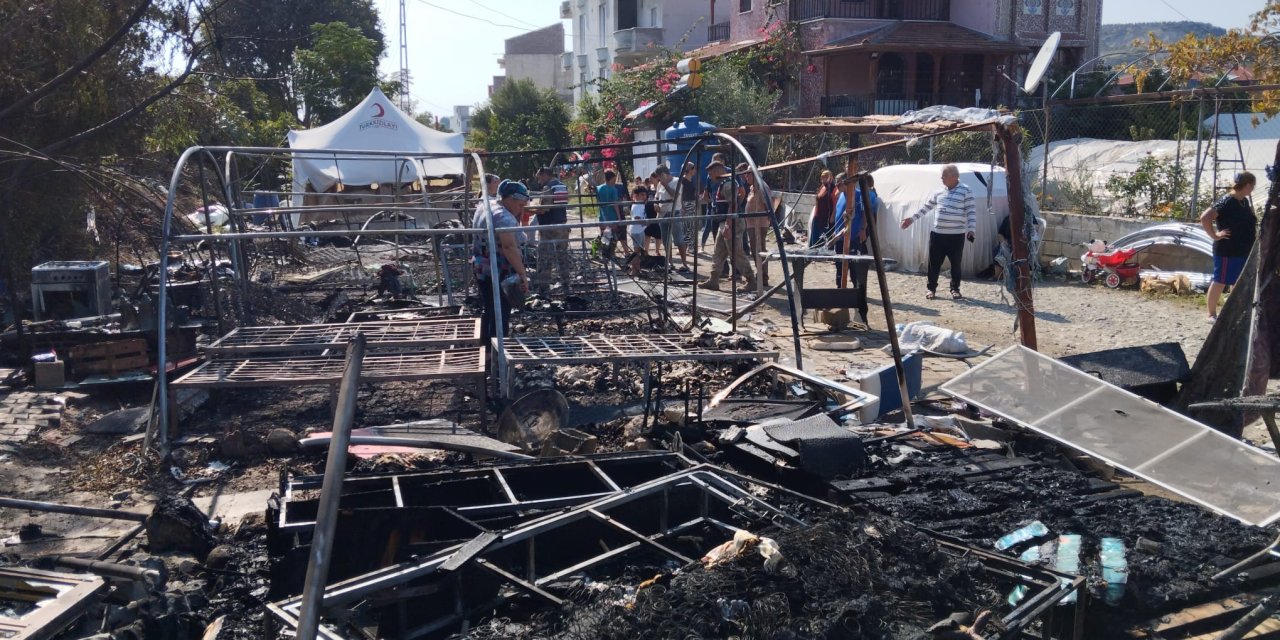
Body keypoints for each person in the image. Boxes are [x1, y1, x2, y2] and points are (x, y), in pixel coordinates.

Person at [901, 164, 976, 300]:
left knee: (956, 264)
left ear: (954, 176)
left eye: (944, 175)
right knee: (934, 263)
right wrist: (911, 219)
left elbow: (971, 211)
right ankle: (931, 289)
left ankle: (955, 289)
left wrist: (971, 229)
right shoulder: (939, 192)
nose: (941, 178)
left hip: (956, 235)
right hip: (938, 234)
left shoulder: (966, 191)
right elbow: (926, 207)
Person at [472, 180, 530, 343]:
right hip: (498, 270)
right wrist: (522, 274)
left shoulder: (487, 205)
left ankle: (486, 350)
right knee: (501, 311)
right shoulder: (504, 217)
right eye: (520, 205)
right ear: (510, 199)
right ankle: (498, 355)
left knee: (490, 308)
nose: (521, 209)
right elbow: (509, 246)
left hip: (481, 266)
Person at [1201, 171, 1257, 321]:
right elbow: (1205, 217)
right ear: (1247, 185)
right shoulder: (1226, 201)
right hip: (1228, 250)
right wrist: (1215, 235)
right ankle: (1211, 314)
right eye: (1253, 185)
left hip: (1243, 249)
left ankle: (1234, 311)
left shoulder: (1244, 201)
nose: (1253, 189)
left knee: (1237, 282)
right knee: (1220, 280)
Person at [698, 160, 754, 291]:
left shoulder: (728, 184)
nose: (710, 176)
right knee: (718, 252)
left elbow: (733, 204)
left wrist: (728, 225)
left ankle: (751, 280)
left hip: (731, 223)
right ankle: (713, 280)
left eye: (711, 173)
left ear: (718, 171)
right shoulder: (723, 183)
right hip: (725, 222)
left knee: (736, 253)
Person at [533, 167, 572, 291]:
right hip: (562, 224)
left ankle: (544, 286)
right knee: (562, 256)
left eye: (539, 176)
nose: (538, 180)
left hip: (549, 227)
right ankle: (566, 283)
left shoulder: (548, 188)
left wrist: (531, 208)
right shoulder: (562, 186)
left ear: (545, 174)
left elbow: (545, 208)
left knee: (545, 256)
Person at [740, 163, 774, 290]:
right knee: (755, 251)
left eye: (748, 173)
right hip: (752, 224)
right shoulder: (752, 188)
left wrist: (767, 217)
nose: (745, 176)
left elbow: (768, 204)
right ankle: (760, 274)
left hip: (759, 224)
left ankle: (763, 276)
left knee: (759, 250)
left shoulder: (761, 186)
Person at [652, 166, 690, 269]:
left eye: (660, 176)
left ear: (664, 174)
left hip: (674, 213)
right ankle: (669, 262)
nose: (659, 179)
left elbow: (675, 195)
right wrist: (655, 204)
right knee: (666, 240)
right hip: (662, 214)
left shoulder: (677, 181)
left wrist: (666, 185)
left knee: (679, 239)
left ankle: (684, 263)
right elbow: (656, 196)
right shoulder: (660, 184)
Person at [595, 170, 627, 254]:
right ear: (611, 179)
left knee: (604, 235)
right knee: (613, 236)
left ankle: (601, 252)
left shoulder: (598, 188)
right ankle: (610, 253)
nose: (615, 181)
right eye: (614, 179)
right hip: (612, 216)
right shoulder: (613, 190)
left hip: (602, 216)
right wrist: (619, 217)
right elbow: (615, 204)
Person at [810, 170, 838, 248]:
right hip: (818, 215)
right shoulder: (822, 187)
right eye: (822, 177)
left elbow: (835, 203)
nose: (823, 179)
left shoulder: (833, 188)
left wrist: (832, 216)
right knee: (816, 235)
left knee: (824, 236)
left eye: (825, 177)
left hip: (826, 218)